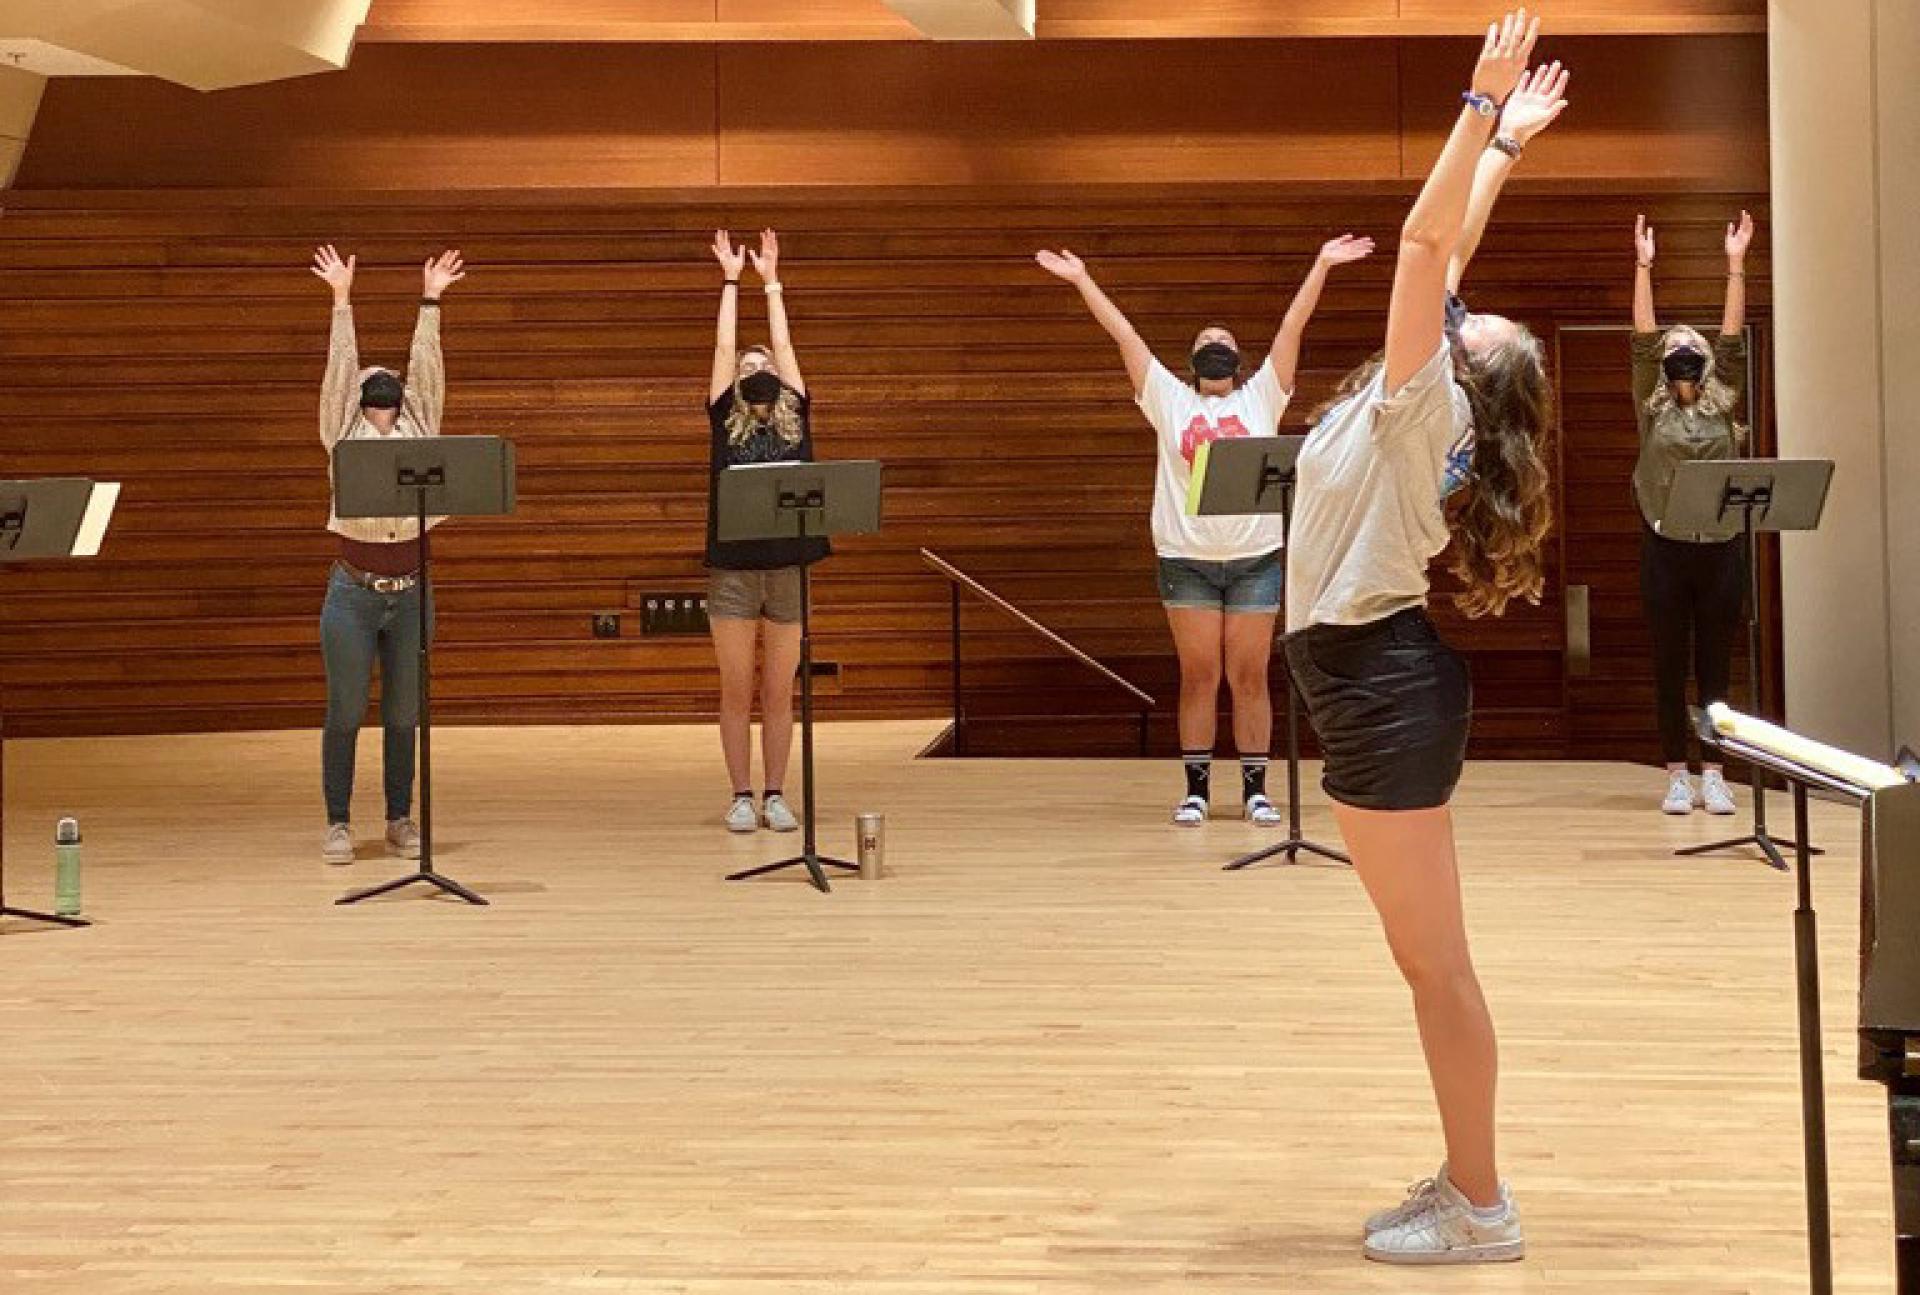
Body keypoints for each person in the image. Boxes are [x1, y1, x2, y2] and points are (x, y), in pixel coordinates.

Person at [1284, 14, 1564, 1263]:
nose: (1466, 307)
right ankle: (1467, 1179)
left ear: (1471, 370)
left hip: (1377, 683)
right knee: (1427, 963)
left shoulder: (1424, 390)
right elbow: (1448, 253)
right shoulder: (1442, 386)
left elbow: (1422, 243)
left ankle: (1484, 1206)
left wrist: (1473, 102)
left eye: (1474, 319)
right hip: (1370, 679)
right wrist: (1505, 145)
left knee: (1436, 967)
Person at [1035, 233, 1375, 827]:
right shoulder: (1166, 398)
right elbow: (1126, 336)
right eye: (1204, 343)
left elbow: (1292, 328)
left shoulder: (1261, 398)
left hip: (1257, 558)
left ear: (1239, 360)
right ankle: (1195, 788)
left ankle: (1255, 791)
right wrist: (1082, 279)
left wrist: (1320, 263)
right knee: (1199, 675)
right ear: (1190, 360)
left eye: (1223, 342)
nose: (1214, 348)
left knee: (1250, 676)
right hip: (1185, 557)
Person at [310, 245, 466, 865]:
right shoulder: (341, 435)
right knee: (346, 708)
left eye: (390, 387)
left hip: (411, 591)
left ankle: (400, 818)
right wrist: (341, 301)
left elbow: (427, 371)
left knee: (404, 712)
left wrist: (430, 300)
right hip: (352, 590)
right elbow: (337, 372)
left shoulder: (419, 429)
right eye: (371, 388)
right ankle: (339, 822)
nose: (382, 388)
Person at [1631, 210, 1755, 816]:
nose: (1680, 347)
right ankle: (1676, 772)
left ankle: (1716, 773)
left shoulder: (1723, 403)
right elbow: (1641, 336)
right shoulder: (1650, 408)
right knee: (1668, 661)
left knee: (1714, 664)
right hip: (1665, 547)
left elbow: (1732, 340)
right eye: (1672, 345)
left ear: (1701, 359)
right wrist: (1643, 266)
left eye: (1689, 344)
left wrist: (1734, 266)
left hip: (1721, 549)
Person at [705, 229, 827, 835]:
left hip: (788, 569)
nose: (755, 368)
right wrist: (730, 281)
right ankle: (740, 795)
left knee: (780, 691)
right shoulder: (722, 413)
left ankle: (777, 793)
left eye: (764, 365)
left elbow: (782, 343)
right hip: (731, 570)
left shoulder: (796, 415)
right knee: (736, 689)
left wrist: (771, 282)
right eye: (747, 366)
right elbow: (726, 344)